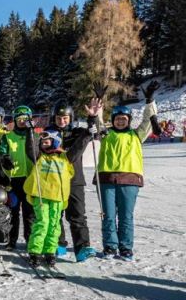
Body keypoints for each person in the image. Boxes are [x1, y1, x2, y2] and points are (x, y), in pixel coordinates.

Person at [96, 93, 157, 261]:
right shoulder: (105, 134)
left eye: (124, 119)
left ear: (128, 120)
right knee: (108, 215)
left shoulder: (137, 135)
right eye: (117, 119)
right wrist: (99, 104)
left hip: (129, 180)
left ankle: (125, 248)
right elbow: (98, 121)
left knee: (125, 216)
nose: (120, 121)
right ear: (113, 120)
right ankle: (110, 246)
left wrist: (150, 101)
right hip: (106, 179)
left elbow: (148, 120)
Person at [47, 99, 101, 261]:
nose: (62, 121)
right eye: (58, 118)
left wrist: (93, 120)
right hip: (54, 180)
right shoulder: (48, 133)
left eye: (65, 118)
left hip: (74, 180)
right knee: (55, 214)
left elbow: (96, 133)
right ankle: (58, 243)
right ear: (53, 118)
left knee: (77, 215)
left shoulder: (78, 132)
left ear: (71, 118)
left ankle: (82, 247)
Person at [23, 130, 75, 269]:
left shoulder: (65, 157)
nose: (44, 145)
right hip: (41, 196)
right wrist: (30, 132)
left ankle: (50, 251)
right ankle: (35, 251)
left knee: (54, 224)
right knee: (42, 222)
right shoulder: (39, 156)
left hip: (57, 196)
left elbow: (78, 149)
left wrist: (88, 132)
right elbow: (30, 148)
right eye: (42, 143)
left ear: (56, 142)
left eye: (47, 142)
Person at [0, 105, 36, 250]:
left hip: (30, 179)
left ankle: (30, 240)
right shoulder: (8, 136)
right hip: (13, 179)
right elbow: (2, 152)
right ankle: (11, 240)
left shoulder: (33, 136)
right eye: (19, 119)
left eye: (25, 119)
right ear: (14, 120)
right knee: (13, 211)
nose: (22, 122)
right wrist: (4, 158)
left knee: (29, 212)